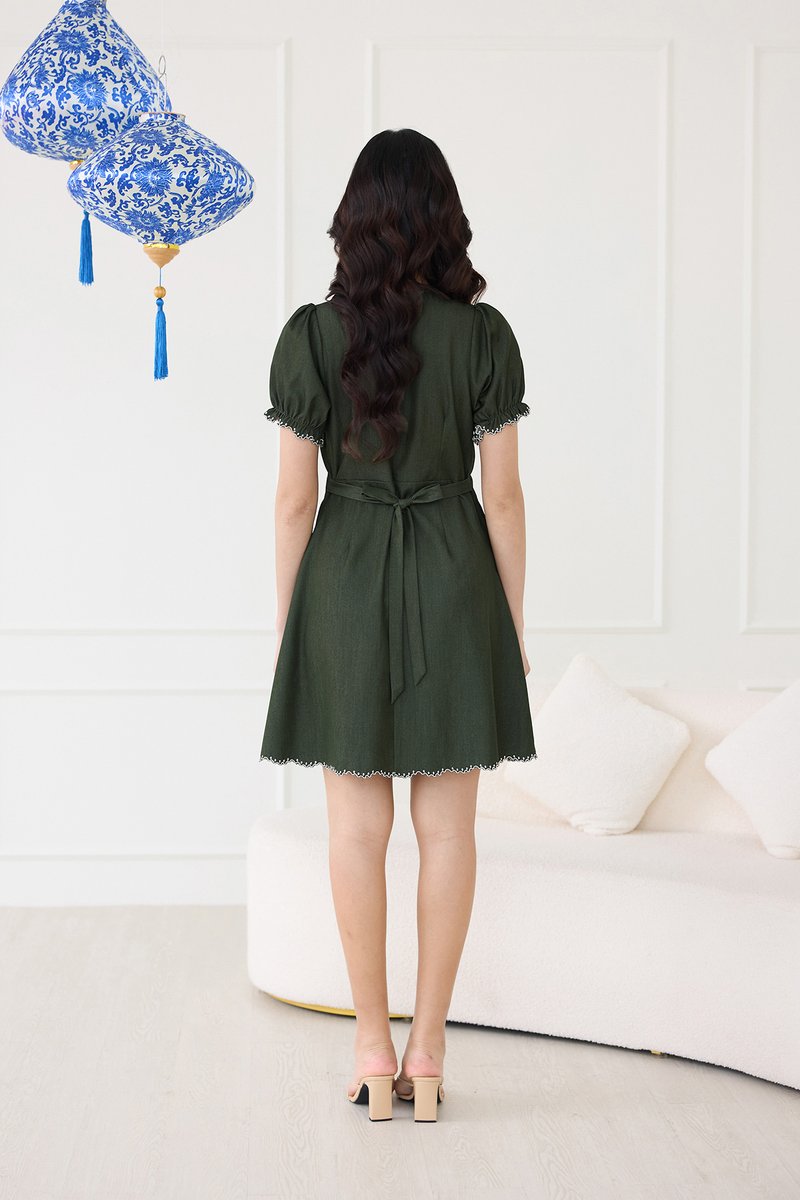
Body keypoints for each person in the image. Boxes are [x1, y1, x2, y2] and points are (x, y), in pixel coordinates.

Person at [259, 128, 536, 1122]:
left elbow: (294, 502)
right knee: (448, 828)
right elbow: (503, 498)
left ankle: (371, 1046)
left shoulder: (308, 337)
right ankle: (429, 1050)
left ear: (355, 222)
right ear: (443, 220)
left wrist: (294, 630)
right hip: (454, 578)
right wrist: (510, 628)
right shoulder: (484, 337)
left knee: (354, 827)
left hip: (343, 580)